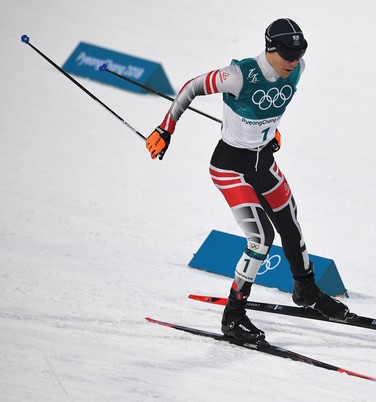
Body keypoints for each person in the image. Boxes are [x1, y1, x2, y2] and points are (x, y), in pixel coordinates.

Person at [146, 18, 349, 342]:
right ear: (270, 49)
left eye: (299, 55)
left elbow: (269, 111)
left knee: (290, 222)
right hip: (231, 165)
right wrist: (165, 129)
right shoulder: (238, 75)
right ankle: (233, 316)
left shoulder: (297, 68)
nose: (294, 62)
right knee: (261, 237)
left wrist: (269, 133)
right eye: (287, 55)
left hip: (262, 160)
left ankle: (306, 290)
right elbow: (190, 87)